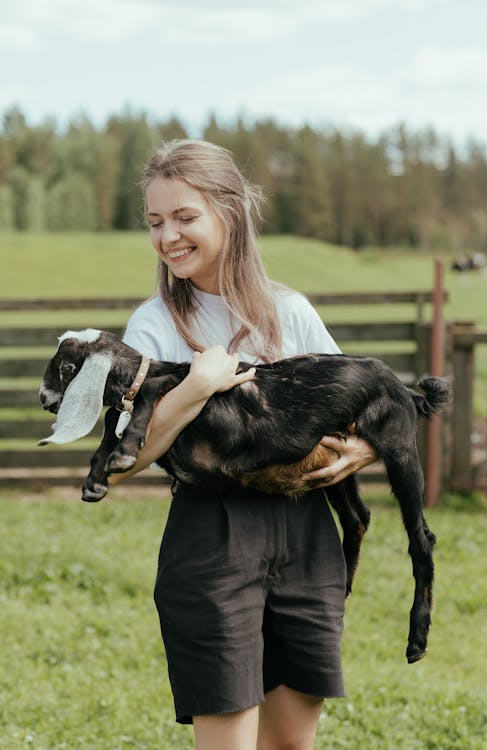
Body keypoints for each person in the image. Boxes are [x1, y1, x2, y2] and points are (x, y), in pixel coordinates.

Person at [112, 139, 376, 750]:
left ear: (230, 213)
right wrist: (194, 388)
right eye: (155, 222)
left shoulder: (292, 313)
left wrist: (366, 451)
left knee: (289, 743)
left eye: (185, 217)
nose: (168, 236)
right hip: (212, 537)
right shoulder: (153, 326)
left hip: (307, 533)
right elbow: (125, 461)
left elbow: (358, 407)